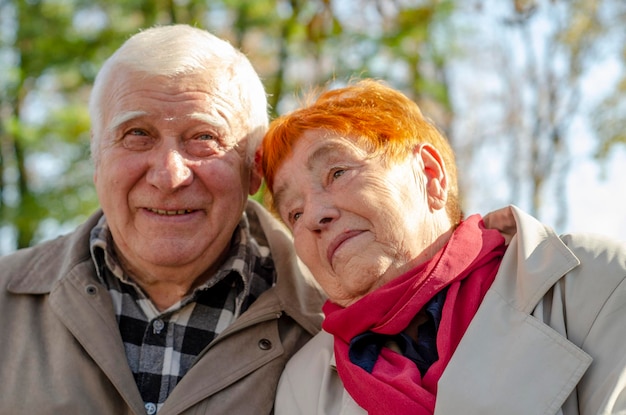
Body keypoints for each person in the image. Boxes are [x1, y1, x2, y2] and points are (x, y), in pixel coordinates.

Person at [0, 24, 325, 414]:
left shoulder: (332, 323)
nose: (169, 176)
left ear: (254, 168)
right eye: (137, 133)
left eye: (204, 137)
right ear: (97, 159)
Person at [261, 79, 626, 415]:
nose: (313, 217)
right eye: (293, 213)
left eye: (337, 172)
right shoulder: (301, 384)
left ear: (430, 176)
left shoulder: (595, 282)